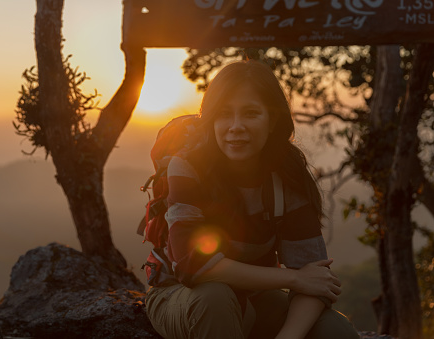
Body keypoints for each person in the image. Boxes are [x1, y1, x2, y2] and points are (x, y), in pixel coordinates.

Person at [145, 60, 360, 339]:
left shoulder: (286, 177)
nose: (235, 127)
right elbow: (192, 266)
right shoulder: (188, 167)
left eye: (250, 114)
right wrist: (293, 278)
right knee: (215, 297)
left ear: (272, 121)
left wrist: (288, 336)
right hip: (181, 294)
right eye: (224, 114)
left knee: (334, 329)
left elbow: (315, 281)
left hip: (254, 299)